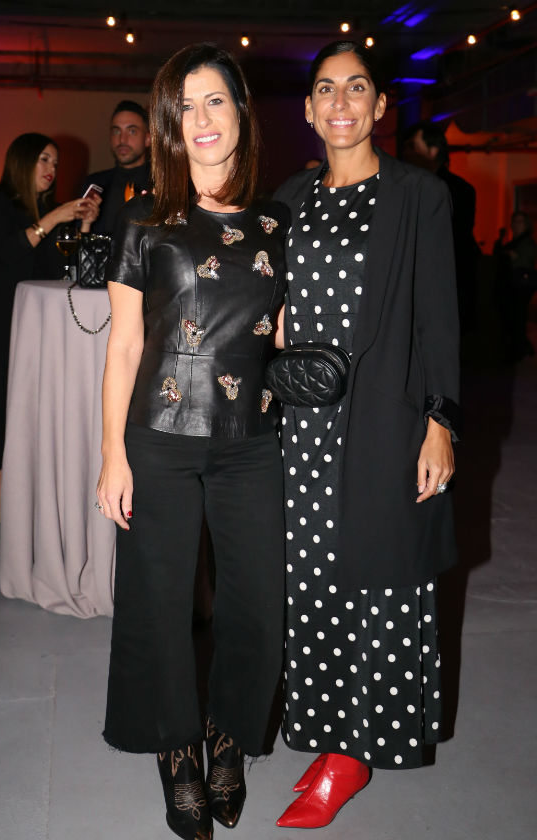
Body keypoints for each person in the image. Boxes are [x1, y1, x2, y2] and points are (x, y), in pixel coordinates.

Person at [96, 43, 288, 840]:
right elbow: (124, 348)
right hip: (160, 438)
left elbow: (285, 339)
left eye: (216, 101)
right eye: (186, 106)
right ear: (170, 123)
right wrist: (112, 454)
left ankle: (229, 739)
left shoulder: (279, 222)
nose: (202, 119)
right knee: (159, 604)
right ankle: (177, 751)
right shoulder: (144, 219)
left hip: (253, 441)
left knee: (257, 606)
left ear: (241, 112)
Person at [272, 40, 460, 829]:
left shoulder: (418, 196)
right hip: (302, 426)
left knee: (381, 577)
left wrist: (440, 421)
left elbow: (438, 316)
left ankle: (356, 752)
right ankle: (325, 733)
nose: (341, 102)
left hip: (384, 417)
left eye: (357, 88)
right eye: (326, 89)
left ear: (381, 106)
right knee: (311, 581)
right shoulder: (289, 197)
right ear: (309, 109)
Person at [0, 133, 100, 558]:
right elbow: (6, 254)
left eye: (55, 163)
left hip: (42, 334)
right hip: (5, 333)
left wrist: (83, 224)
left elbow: (63, 268)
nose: (52, 169)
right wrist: (53, 218)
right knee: (7, 425)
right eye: (44, 159)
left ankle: (31, 515)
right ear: (22, 161)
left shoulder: (48, 211)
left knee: (38, 427)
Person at [402, 120, 480, 333]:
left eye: (413, 146)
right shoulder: (410, 186)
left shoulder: (454, 189)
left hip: (445, 283)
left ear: (433, 150)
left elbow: (452, 236)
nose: (407, 152)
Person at [82, 99, 151, 235]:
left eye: (132, 131)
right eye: (116, 132)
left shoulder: (163, 185)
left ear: (148, 139)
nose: (122, 140)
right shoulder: (94, 184)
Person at [493, 210, 537, 360]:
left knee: (517, 317)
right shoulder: (514, 242)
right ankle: (522, 347)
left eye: (520, 222)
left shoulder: (527, 242)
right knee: (515, 317)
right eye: (515, 221)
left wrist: (512, 256)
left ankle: (518, 350)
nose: (516, 225)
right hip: (513, 285)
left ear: (526, 225)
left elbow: (523, 261)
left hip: (520, 285)